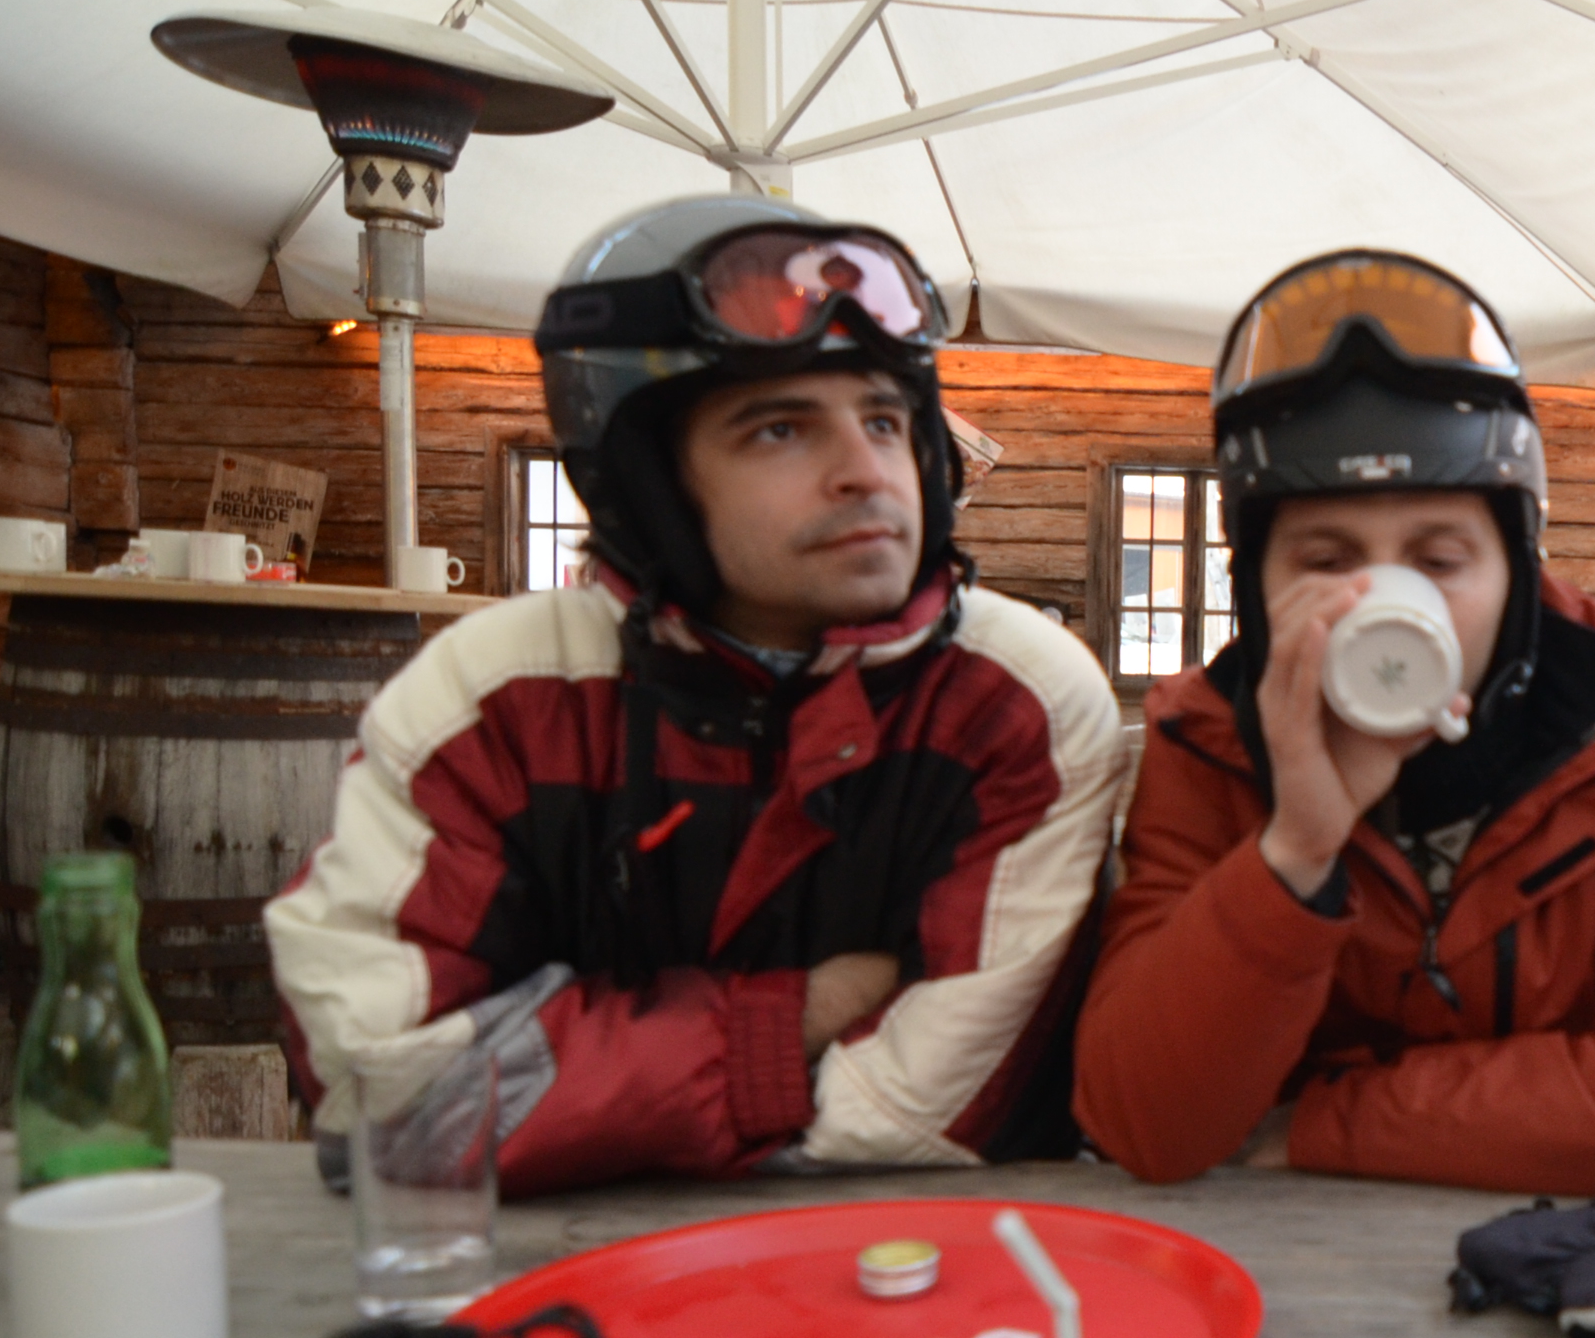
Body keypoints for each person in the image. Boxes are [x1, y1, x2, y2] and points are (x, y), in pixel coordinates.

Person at [268, 197, 1122, 1196]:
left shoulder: (1014, 697)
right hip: (528, 1278)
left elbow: (929, 1119)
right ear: (646, 483)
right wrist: (794, 1021)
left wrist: (561, 1090)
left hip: (927, 1265)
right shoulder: (490, 698)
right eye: (779, 429)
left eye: (887, 421)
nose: (867, 473)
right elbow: (375, 1092)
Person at [1072, 252, 1595, 1194]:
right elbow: (1146, 1122)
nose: (1384, 604)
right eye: (1325, 561)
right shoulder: (1208, 737)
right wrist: (1296, 850)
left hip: (1558, 1247)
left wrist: (1317, 1119)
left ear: (1517, 570)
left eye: (1441, 561)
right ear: (1256, 590)